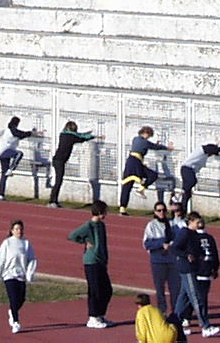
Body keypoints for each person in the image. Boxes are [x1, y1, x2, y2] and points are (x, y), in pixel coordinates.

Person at [68, 199, 112, 330]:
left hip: (101, 261)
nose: (106, 214)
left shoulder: (102, 226)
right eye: (105, 212)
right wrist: (84, 242)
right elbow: (72, 235)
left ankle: (100, 314)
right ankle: (92, 317)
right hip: (91, 261)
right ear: (99, 212)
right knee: (95, 290)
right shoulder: (89, 226)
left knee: (107, 290)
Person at [0, 218, 37, 334]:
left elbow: (32, 259)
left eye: (21, 229)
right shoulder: (7, 243)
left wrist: (29, 274)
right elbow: (0, 260)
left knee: (21, 299)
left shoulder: (26, 244)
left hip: (21, 275)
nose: (19, 231)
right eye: (16, 229)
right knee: (13, 298)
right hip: (9, 275)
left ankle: (12, 311)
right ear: (12, 231)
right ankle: (16, 322)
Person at [183, 213, 220, 337]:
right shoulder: (190, 236)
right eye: (198, 222)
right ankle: (198, 321)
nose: (200, 224)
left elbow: (214, 253)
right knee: (194, 298)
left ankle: (185, 319)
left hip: (205, 271)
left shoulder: (209, 237)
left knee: (196, 298)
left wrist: (215, 268)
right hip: (195, 271)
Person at [143, 200, 182, 317]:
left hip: (172, 261)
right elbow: (147, 244)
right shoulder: (151, 225)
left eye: (164, 210)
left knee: (175, 289)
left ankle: (176, 312)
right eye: (159, 210)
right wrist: (161, 243)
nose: (162, 212)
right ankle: (162, 311)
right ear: (155, 212)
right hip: (158, 261)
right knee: (160, 289)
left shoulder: (173, 224)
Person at [120, 126, 172, 214]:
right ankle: (141, 188)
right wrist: (167, 148)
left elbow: (148, 145)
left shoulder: (135, 139)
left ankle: (122, 208)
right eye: (149, 135)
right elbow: (154, 146)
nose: (148, 137)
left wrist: (154, 145)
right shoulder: (143, 141)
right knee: (153, 175)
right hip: (136, 162)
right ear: (145, 133)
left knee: (127, 186)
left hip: (131, 162)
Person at [48, 120, 97, 208]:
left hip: (58, 160)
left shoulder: (64, 134)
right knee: (58, 181)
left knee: (58, 181)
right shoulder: (70, 136)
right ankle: (52, 201)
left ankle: (54, 200)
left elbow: (78, 135)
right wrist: (92, 136)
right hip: (59, 161)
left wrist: (86, 133)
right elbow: (80, 138)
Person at [0, 116, 43, 201]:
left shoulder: (10, 130)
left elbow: (22, 134)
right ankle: (11, 169)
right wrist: (32, 133)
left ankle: (1, 194)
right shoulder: (12, 130)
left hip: (3, 153)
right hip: (5, 151)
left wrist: (33, 133)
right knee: (19, 154)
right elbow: (20, 134)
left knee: (4, 174)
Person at [179, 144, 220, 212]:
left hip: (188, 170)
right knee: (192, 181)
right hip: (187, 169)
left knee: (187, 195)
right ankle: (181, 193)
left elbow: (214, 150)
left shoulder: (204, 154)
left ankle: (182, 211)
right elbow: (215, 149)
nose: (211, 155)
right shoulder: (202, 150)